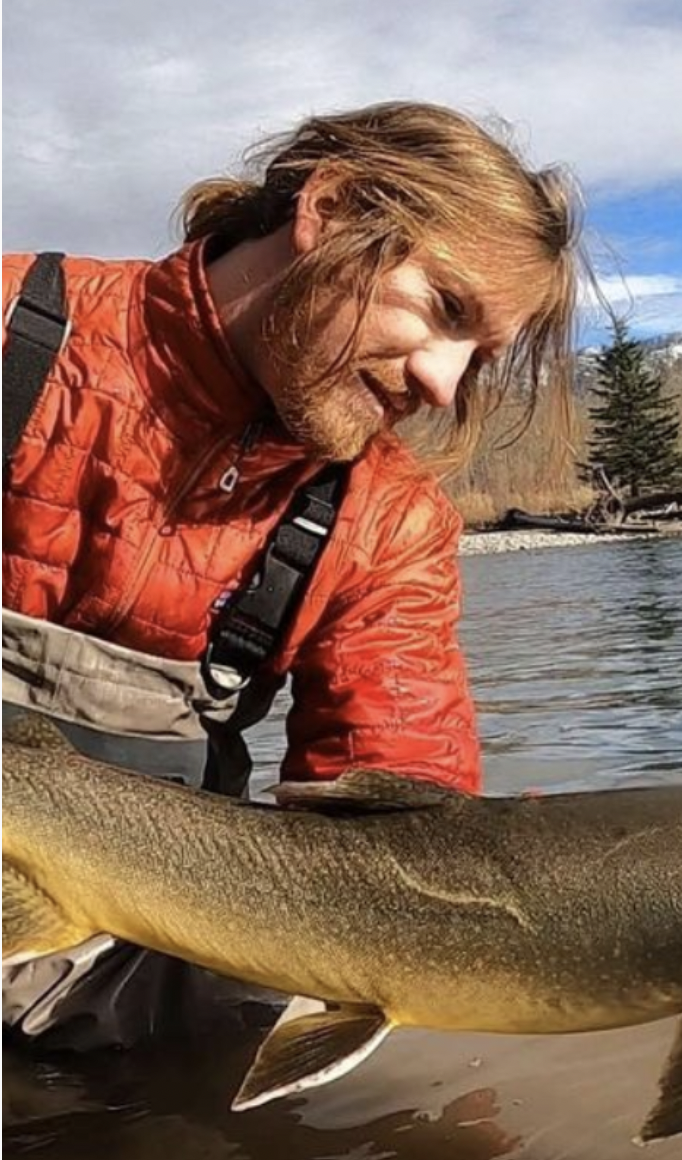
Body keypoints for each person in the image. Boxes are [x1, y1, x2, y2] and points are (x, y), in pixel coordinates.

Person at [2, 100, 584, 1048]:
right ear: (333, 209)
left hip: (121, 983)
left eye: (482, 357)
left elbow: (401, 852)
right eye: (446, 310)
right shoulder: (11, 340)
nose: (445, 384)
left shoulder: (389, 525)